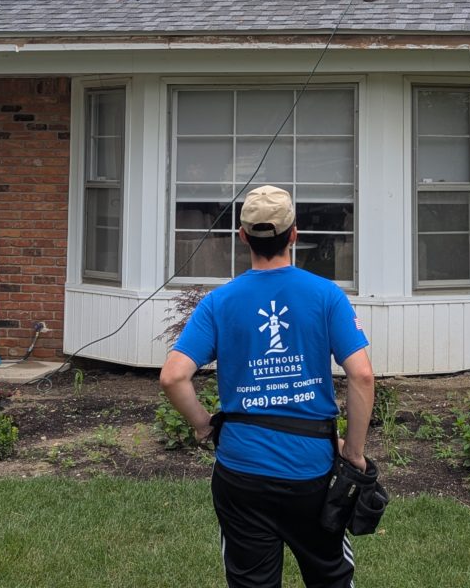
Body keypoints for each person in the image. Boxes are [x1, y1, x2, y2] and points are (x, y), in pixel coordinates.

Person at [160, 185, 375, 588]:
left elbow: (173, 376)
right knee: (330, 576)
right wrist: (355, 454)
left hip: (241, 473)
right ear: (294, 233)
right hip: (311, 472)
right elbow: (362, 375)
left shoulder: (219, 302)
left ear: (243, 238)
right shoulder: (326, 295)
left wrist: (204, 425)